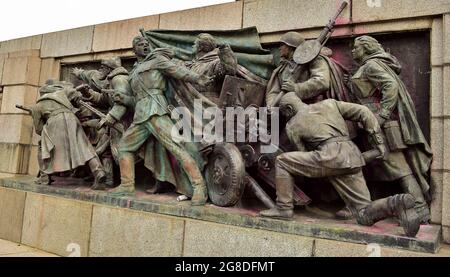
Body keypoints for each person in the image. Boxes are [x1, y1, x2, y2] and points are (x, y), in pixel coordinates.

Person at [259, 92, 421, 238]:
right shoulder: (330, 103)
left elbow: (304, 152)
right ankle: (397, 202)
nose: (286, 116)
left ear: (288, 108)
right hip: (352, 155)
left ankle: (284, 208)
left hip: (329, 157)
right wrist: (377, 140)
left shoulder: (292, 125)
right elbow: (364, 112)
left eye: (284, 113)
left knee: (282, 161)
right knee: (364, 214)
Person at [110, 36, 212, 206]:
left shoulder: (157, 60)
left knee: (177, 148)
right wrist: (124, 99)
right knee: (124, 148)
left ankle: (199, 187)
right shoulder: (134, 71)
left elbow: (178, 72)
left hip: (156, 111)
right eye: (140, 45)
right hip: (141, 116)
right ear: (134, 50)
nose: (144, 46)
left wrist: (198, 78)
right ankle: (127, 185)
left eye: (146, 44)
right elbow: (137, 100)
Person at [349, 35, 433, 223]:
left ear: (367, 48)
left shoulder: (371, 66)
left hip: (381, 126)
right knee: (378, 167)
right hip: (369, 124)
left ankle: (420, 209)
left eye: (356, 47)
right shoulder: (369, 66)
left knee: (400, 168)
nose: (353, 51)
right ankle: (370, 207)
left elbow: (390, 85)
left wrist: (383, 114)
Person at [30, 80, 107, 190]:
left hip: (54, 121)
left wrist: (37, 115)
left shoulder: (37, 106)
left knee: (43, 145)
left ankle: (44, 177)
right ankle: (98, 171)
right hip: (72, 118)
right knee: (84, 147)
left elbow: (39, 130)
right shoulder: (62, 92)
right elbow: (75, 94)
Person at [77, 57, 133, 186]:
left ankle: (127, 184)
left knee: (122, 152)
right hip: (113, 123)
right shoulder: (111, 80)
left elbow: (121, 103)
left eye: (102, 67)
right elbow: (104, 99)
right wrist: (89, 92)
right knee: (105, 151)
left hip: (123, 122)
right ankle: (107, 179)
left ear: (108, 68)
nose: (100, 70)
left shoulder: (119, 80)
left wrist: (111, 118)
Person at [185, 33, 238, 105]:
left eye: (194, 44)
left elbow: (229, 70)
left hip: (209, 104)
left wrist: (225, 51)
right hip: (192, 103)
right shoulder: (191, 64)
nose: (192, 46)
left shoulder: (215, 62)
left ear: (200, 47)